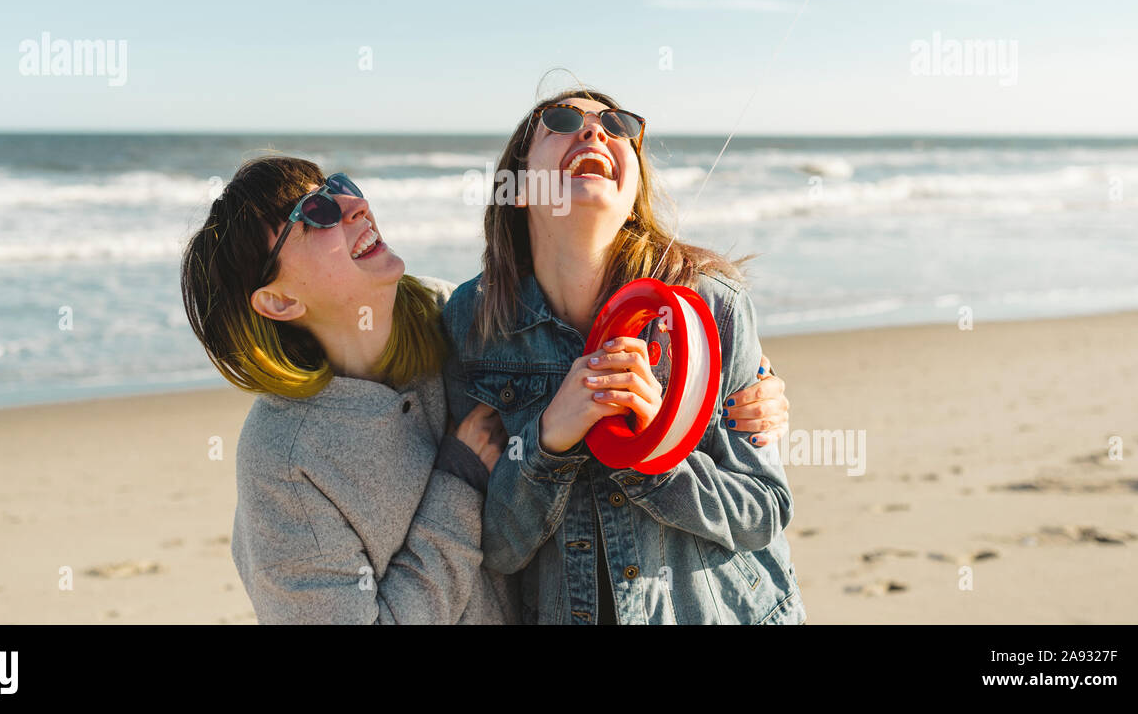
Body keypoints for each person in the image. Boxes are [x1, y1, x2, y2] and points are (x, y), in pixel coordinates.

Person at [441, 88, 805, 624]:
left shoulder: (710, 305)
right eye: (562, 120)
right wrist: (549, 441)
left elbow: (764, 509)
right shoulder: (472, 324)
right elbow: (495, 549)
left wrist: (654, 450)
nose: (595, 132)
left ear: (634, 186)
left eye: (618, 124)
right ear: (517, 189)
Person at [180, 155, 517, 623]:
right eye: (316, 212)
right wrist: (458, 486)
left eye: (340, 185)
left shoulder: (460, 318)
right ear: (280, 300)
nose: (355, 204)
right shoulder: (282, 460)